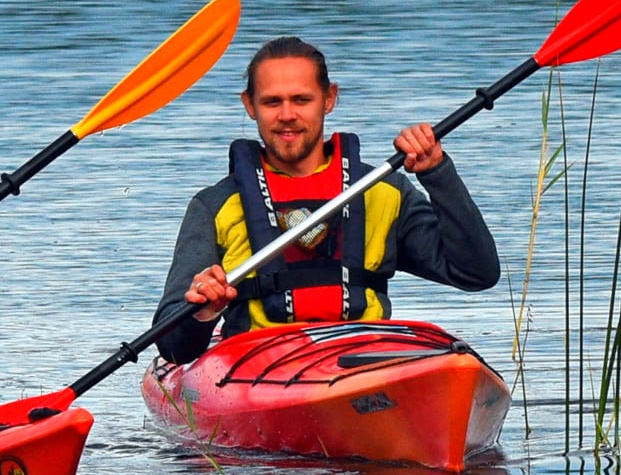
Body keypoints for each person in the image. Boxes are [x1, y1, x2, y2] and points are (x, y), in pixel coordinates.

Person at [153, 37, 501, 363]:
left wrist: (437, 174)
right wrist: (203, 310)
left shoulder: (383, 191)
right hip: (256, 367)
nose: (287, 114)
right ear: (249, 106)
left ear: (329, 98)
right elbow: (172, 347)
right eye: (272, 101)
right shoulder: (215, 206)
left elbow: (476, 273)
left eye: (301, 100)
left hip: (362, 359)